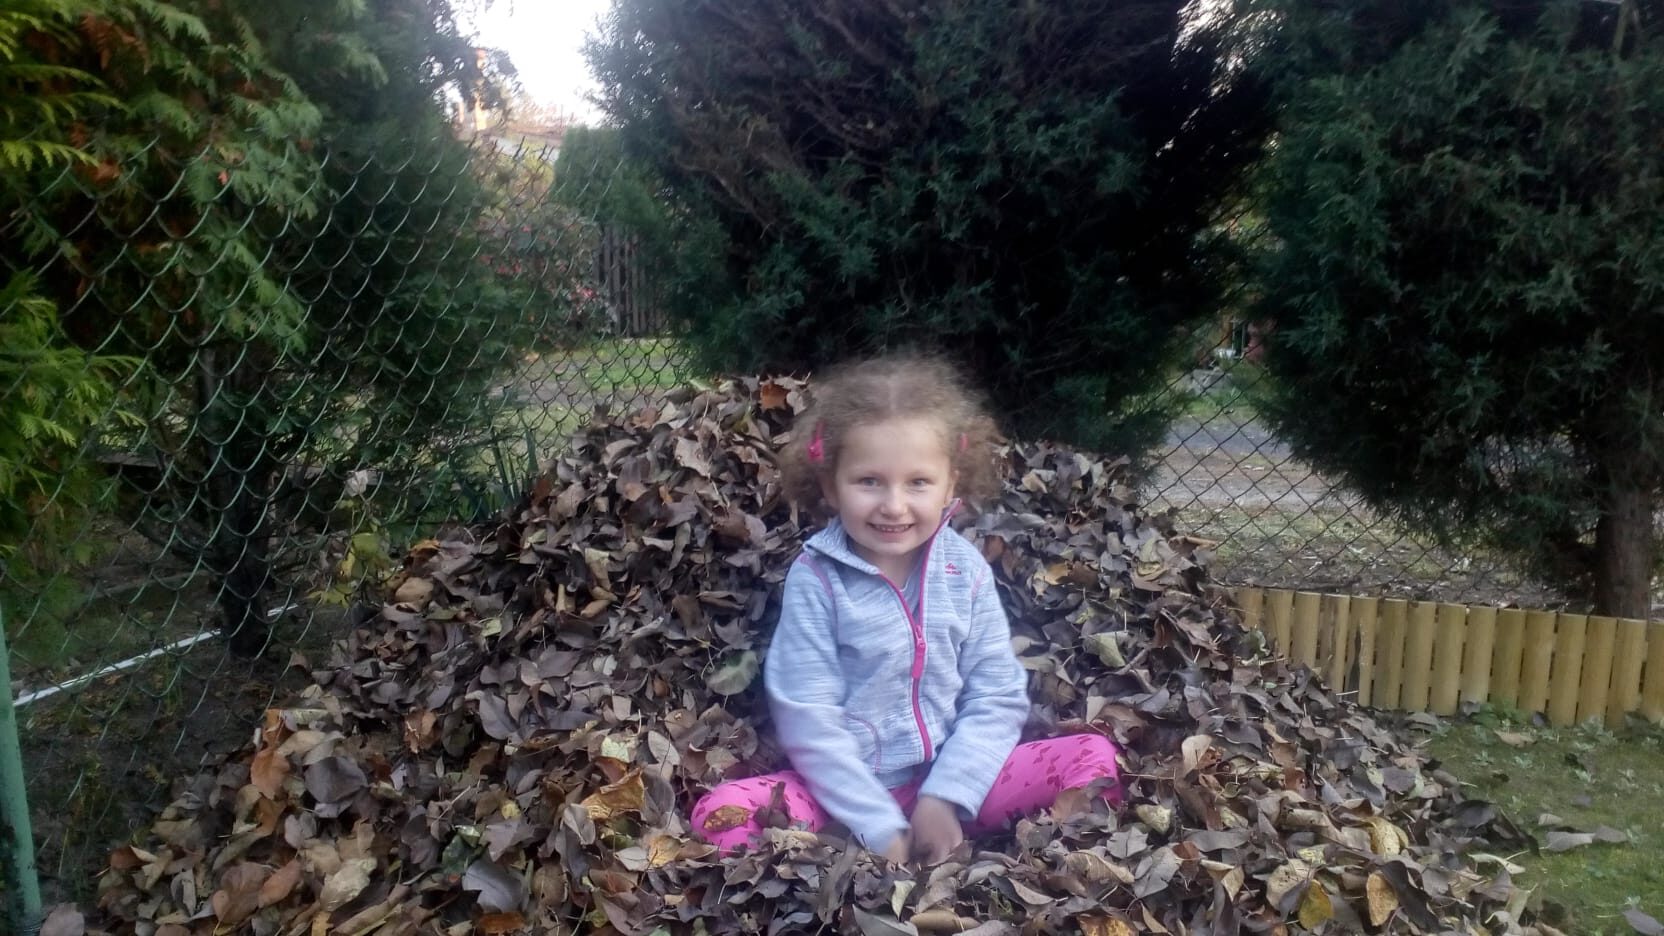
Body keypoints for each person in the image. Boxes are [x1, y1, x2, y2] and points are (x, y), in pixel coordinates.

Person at [690, 354, 1121, 863]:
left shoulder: (965, 571)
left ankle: (991, 854)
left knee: (1094, 759)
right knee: (722, 815)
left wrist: (946, 796)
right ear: (830, 486)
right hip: (840, 800)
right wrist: (878, 825)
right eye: (869, 481)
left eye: (918, 482)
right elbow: (809, 718)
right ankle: (843, 869)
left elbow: (996, 694)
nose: (894, 505)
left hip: (960, 784)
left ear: (950, 484)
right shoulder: (819, 580)